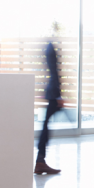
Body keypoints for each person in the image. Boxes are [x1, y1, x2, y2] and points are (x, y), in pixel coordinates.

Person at [34, 23, 64, 175]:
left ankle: (40, 160)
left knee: (46, 125)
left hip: (52, 92)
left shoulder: (48, 47)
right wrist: (58, 95)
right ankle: (40, 161)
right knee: (46, 126)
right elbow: (54, 71)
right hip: (53, 93)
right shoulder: (51, 47)